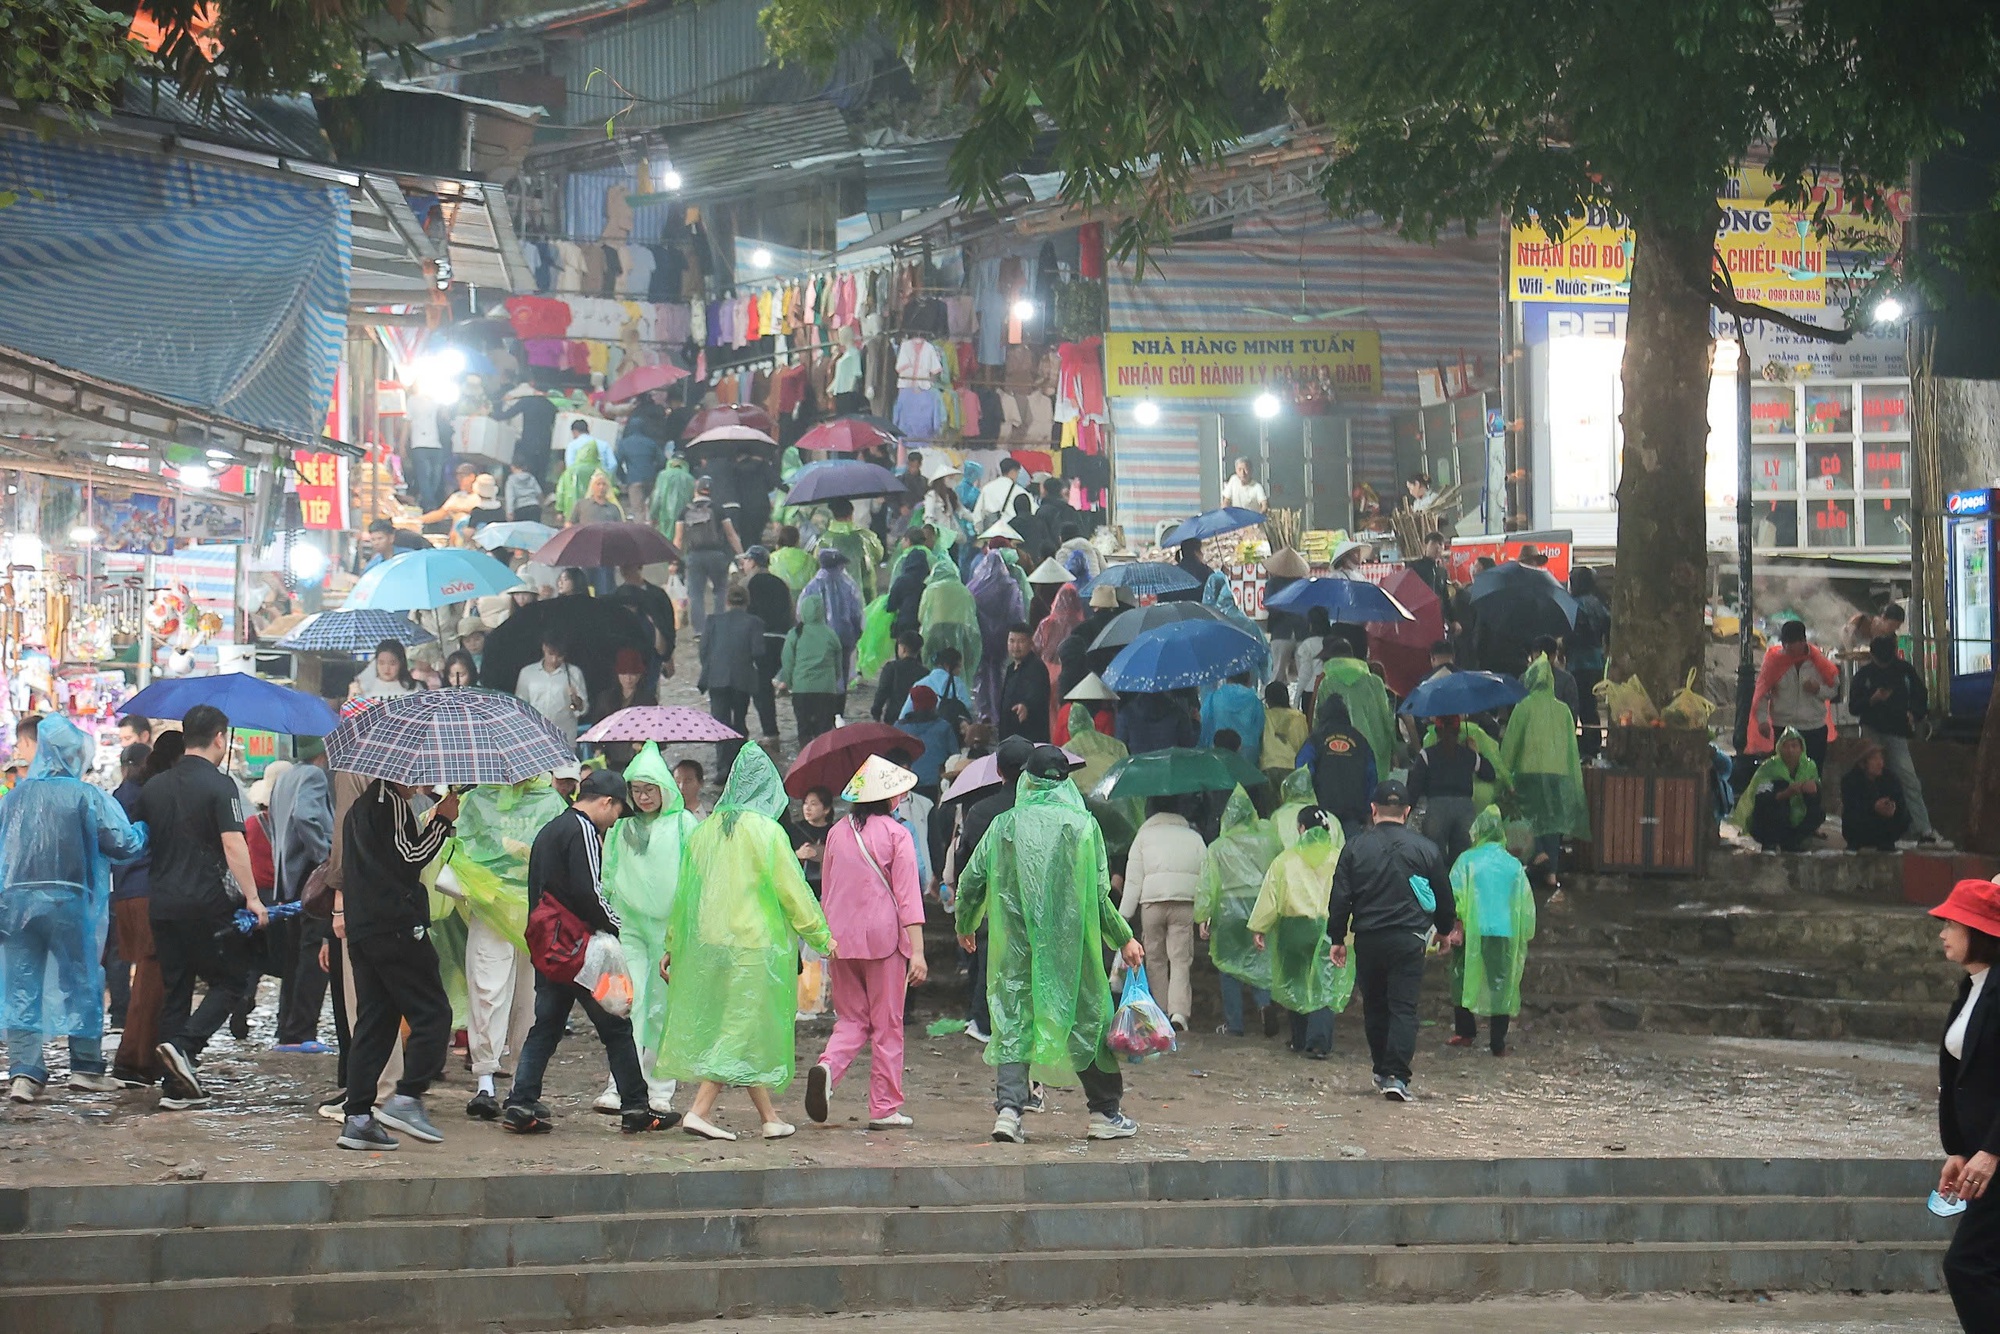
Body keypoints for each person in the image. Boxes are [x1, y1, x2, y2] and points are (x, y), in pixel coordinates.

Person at [956, 744, 1145, 1144]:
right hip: (1070, 947)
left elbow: (972, 879)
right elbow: (1097, 898)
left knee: (1013, 1021)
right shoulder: (1082, 826)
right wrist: (1124, 937)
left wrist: (966, 923)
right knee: (1087, 1021)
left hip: (1015, 946)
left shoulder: (1004, 825)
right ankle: (1104, 1112)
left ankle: (1009, 1111)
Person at [656, 745, 835, 1141]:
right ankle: (699, 1111)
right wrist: (821, 935)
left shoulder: (704, 833)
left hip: (710, 944)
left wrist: (673, 944)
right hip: (754, 946)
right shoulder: (768, 833)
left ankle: (769, 1117)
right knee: (740, 1026)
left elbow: (686, 896)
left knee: (740, 1024)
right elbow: (794, 891)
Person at [503, 771, 672, 1135]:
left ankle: (520, 1100)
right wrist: (617, 927)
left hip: (550, 948)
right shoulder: (582, 830)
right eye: (617, 812)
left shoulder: (551, 829)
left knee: (546, 1026)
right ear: (606, 802)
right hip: (582, 950)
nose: (614, 822)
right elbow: (591, 893)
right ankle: (637, 1108)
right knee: (615, 1026)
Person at [0, 716, 147, 1102]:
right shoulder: (86, 796)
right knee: (80, 982)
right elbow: (122, 843)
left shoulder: (13, 798)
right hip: (69, 902)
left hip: (15, 905)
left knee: (21, 986)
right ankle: (84, 1067)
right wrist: (144, 830)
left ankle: (24, 1073)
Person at [136, 705, 265, 1110]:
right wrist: (254, 898)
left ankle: (175, 1088)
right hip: (205, 904)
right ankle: (185, 1048)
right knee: (232, 980)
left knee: (177, 990)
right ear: (220, 738)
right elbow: (233, 845)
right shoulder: (221, 786)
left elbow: (140, 842)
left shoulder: (153, 786)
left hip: (162, 903)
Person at [336, 773, 460, 1150]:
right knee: (434, 1013)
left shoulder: (362, 808)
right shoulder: (387, 802)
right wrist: (442, 821)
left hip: (366, 929)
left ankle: (357, 1117)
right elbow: (410, 857)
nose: (422, 784)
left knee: (376, 1022)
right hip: (395, 926)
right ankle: (407, 1097)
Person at [805, 757, 928, 1129]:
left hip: (840, 939)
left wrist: (825, 938)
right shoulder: (897, 834)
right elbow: (908, 897)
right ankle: (885, 1107)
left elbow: (827, 889)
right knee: (887, 1024)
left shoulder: (838, 832)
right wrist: (919, 951)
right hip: (884, 941)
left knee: (852, 1019)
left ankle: (828, 1067)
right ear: (890, 799)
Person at [441, 773, 568, 1121]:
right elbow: (464, 848)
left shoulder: (549, 803)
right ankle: (485, 1080)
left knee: (529, 999)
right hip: (491, 907)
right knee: (487, 988)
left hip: (535, 912)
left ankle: (522, 1081)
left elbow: (558, 851)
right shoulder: (477, 801)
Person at [1327, 780, 1455, 1102]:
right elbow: (1443, 895)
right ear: (1408, 812)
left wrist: (1338, 937)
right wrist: (1443, 929)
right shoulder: (1426, 849)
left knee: (1375, 1005)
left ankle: (1381, 1070)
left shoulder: (1355, 847)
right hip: (1409, 939)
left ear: (1373, 810)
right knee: (1403, 1007)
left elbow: (1340, 896)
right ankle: (1396, 1075)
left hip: (1368, 938)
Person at [599, 744, 698, 1117]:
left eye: (649, 789)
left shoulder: (684, 824)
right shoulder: (621, 828)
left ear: (664, 790)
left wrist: (686, 924)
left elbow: (695, 874)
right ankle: (620, 1084)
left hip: (671, 929)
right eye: (636, 789)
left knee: (662, 1010)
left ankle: (659, 1088)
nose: (642, 797)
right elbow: (608, 874)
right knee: (628, 1002)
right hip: (630, 927)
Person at [1930, 877, 2000, 1331]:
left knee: (1967, 1266)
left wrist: (1992, 1150)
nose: (1942, 932)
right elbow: (1959, 1079)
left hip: (1995, 1155)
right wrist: (1957, 1148)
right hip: (1977, 1156)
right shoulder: (1971, 987)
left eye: (1952, 922)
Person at [1249, 805, 1350, 1057]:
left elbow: (1270, 895)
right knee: (1323, 983)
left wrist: (1259, 927)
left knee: (1295, 981)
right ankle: (1319, 1042)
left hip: (1293, 928)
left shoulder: (1285, 860)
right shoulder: (1341, 858)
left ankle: (1299, 1037)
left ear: (1301, 829)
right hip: (1329, 928)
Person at [1445, 806, 1535, 1056]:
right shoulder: (1513, 865)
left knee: (1461, 978)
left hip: (1473, 930)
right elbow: (1525, 904)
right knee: (1501, 985)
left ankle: (1465, 1031)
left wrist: (1456, 923)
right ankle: (1498, 1041)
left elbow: (1454, 895)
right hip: (1503, 931)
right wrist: (1525, 931)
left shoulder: (1467, 860)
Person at [1194, 786, 1282, 1038]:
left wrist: (1203, 916)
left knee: (1228, 965)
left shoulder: (1218, 846)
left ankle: (1235, 1024)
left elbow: (1207, 884)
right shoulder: (1269, 841)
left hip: (1228, 911)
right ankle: (1264, 1004)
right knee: (1260, 960)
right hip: (1260, 906)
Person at [1119, 795, 1208, 1030]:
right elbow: (1205, 878)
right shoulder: (1194, 838)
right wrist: (1203, 913)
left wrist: (1122, 918)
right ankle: (1179, 1013)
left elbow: (1133, 881)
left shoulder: (1143, 837)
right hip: (1184, 904)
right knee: (1180, 960)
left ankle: (1159, 1012)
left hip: (1152, 904)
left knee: (1155, 959)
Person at [268, 741, 334, 1052]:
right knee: (314, 954)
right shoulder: (315, 776)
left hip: (290, 877)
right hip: (311, 876)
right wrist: (325, 857)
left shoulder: (286, 776)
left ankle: (287, 1026)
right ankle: (301, 1029)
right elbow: (305, 816)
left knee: (295, 955)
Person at [1502, 655, 1590, 886]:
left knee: (1531, 815)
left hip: (1528, 772)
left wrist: (1504, 771)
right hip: (1558, 773)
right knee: (1553, 821)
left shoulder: (1524, 707)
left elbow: (1511, 743)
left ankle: (1538, 853)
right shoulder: (1563, 711)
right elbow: (1571, 745)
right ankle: (1552, 874)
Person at [1850, 633, 1941, 844]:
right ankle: (1868, 828)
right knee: (1869, 780)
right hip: (1872, 731)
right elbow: (1854, 706)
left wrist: (1914, 714)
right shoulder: (1864, 675)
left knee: (1909, 780)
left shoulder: (1904, 671)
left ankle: (1923, 828)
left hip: (1897, 732)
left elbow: (1921, 695)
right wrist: (1872, 699)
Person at [1409, 714, 1497, 870]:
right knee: (1462, 863)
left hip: (1437, 810)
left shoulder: (1427, 754)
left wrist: (1406, 809)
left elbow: (1414, 786)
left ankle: (1440, 891)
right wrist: (1475, 752)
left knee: (1435, 861)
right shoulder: (1468, 755)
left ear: (1437, 731)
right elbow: (1490, 774)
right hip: (1465, 810)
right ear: (1458, 732)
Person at [1747, 619, 1838, 770]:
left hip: (1813, 727)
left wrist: (1818, 690)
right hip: (1783, 727)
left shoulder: (1819, 663)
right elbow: (1762, 693)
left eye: (1792, 645)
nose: (1788, 649)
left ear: (1803, 642)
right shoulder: (1774, 662)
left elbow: (1834, 689)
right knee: (1784, 775)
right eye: (1785, 644)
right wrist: (1762, 720)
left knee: (1813, 774)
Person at [700, 584, 766, 770]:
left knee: (720, 722)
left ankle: (722, 767)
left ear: (726, 601)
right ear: (748, 602)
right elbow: (758, 652)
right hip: (742, 679)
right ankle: (740, 766)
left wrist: (712, 666)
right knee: (739, 721)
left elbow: (703, 650)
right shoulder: (755, 622)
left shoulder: (712, 621)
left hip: (717, 679)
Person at [1732, 727, 1825, 851]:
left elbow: (1817, 795)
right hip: (1770, 820)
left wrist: (1813, 788)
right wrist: (1785, 793)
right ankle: (1770, 842)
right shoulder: (1769, 768)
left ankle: (1794, 842)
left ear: (1801, 748)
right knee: (1777, 799)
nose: (1790, 750)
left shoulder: (1810, 767)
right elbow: (1761, 798)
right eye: (1786, 746)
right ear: (1779, 748)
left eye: (1794, 746)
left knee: (1818, 811)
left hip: (1798, 818)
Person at [1297, 694, 1377, 835]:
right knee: (1351, 852)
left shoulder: (1316, 739)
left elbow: (1302, 770)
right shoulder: (1360, 740)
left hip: (1323, 810)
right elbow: (1371, 776)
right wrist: (1369, 810)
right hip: (1354, 812)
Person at [1315, 640, 1396, 773]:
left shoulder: (1327, 683)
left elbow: (1318, 720)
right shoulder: (1375, 682)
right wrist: (1395, 747)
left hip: (1339, 749)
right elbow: (1387, 717)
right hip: (1376, 749)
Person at [740, 547, 793, 742]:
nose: (743, 564)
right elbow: (791, 613)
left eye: (745, 560)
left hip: (759, 640)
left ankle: (770, 732)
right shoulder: (782, 583)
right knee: (767, 685)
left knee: (761, 688)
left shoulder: (746, 583)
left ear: (753, 562)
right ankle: (772, 731)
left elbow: (740, 615)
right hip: (780, 640)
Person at [778, 590, 844, 746]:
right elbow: (838, 664)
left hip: (801, 689)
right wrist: (833, 681)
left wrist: (790, 682)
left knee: (804, 729)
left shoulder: (795, 634)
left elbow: (787, 661)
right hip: (826, 690)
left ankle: (805, 760)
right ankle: (823, 762)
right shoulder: (830, 634)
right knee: (824, 732)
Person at [676, 475, 740, 635]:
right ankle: (718, 626)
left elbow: (678, 539)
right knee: (720, 590)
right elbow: (731, 535)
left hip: (694, 555)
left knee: (696, 594)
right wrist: (742, 554)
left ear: (696, 490)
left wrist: (674, 560)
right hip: (716, 554)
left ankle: (699, 630)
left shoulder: (685, 511)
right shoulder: (718, 509)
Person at [1566, 567, 1611, 758]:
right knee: (1590, 705)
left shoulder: (1573, 605)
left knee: (1574, 705)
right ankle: (1592, 744)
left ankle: (1576, 745)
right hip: (1597, 662)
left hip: (1577, 662)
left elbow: (1571, 634)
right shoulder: (1599, 604)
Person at [514, 636, 589, 745]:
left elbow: (583, 708)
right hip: (534, 737)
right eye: (551, 654)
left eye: (559, 656)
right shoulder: (527, 673)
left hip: (563, 738)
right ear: (544, 647)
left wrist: (576, 699)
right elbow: (520, 705)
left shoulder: (574, 673)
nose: (554, 659)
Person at [1841, 744, 1911, 853]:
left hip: (1884, 825)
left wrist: (1892, 808)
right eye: (1874, 759)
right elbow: (1852, 806)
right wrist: (1873, 807)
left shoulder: (1890, 778)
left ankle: (1887, 843)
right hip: (1861, 828)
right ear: (1862, 763)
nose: (1880, 763)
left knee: (1905, 816)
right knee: (1853, 817)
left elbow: (1899, 800)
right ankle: (1855, 843)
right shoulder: (1850, 780)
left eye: (1881, 758)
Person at [609, 563, 678, 669]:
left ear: (639, 565)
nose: (623, 569)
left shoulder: (657, 595)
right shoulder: (616, 596)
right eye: (621, 565)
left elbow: (668, 627)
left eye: (628, 564)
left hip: (653, 656)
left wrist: (668, 657)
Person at [998, 621, 1051, 743]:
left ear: (1031, 643)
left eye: (1021, 642)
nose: (1015, 647)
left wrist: (1026, 706)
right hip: (1009, 735)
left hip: (1029, 737)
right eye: (1012, 641)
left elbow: (1038, 694)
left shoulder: (1037, 668)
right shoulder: (1011, 668)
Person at [788, 786, 838, 898]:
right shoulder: (793, 830)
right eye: (805, 803)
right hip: (800, 891)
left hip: (828, 891)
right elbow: (780, 860)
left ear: (826, 809)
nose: (807, 808)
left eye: (813, 804)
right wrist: (797, 855)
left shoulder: (835, 832)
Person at [1260, 681, 1311, 784]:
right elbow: (1302, 743)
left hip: (1268, 766)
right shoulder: (1298, 717)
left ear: (1268, 700)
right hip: (1292, 766)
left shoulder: (1263, 716)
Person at [1202, 672, 1265, 753]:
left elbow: (1204, 724)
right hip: (1247, 754)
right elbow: (1260, 728)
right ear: (1249, 679)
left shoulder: (1214, 697)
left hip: (1218, 751)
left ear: (1227, 678)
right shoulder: (1255, 701)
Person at [873, 631, 929, 724]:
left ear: (902, 649)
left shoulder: (891, 668)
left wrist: (876, 713)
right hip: (918, 720)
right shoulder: (925, 672)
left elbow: (882, 691)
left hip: (893, 718)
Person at [974, 457, 1034, 533]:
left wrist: (980, 534)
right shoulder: (1020, 491)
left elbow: (978, 516)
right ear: (1013, 472)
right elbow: (1032, 512)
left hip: (992, 533)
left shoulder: (987, 488)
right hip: (1012, 534)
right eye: (1018, 473)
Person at [354, 639, 421, 698]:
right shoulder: (364, 687)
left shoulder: (414, 687)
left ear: (401, 663)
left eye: (392, 664)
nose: (386, 669)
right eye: (381, 663)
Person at [504, 459, 544, 523]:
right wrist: (541, 506)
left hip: (520, 509)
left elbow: (510, 497)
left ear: (512, 466)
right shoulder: (531, 477)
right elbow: (539, 493)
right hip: (534, 507)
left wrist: (509, 512)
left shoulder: (511, 480)